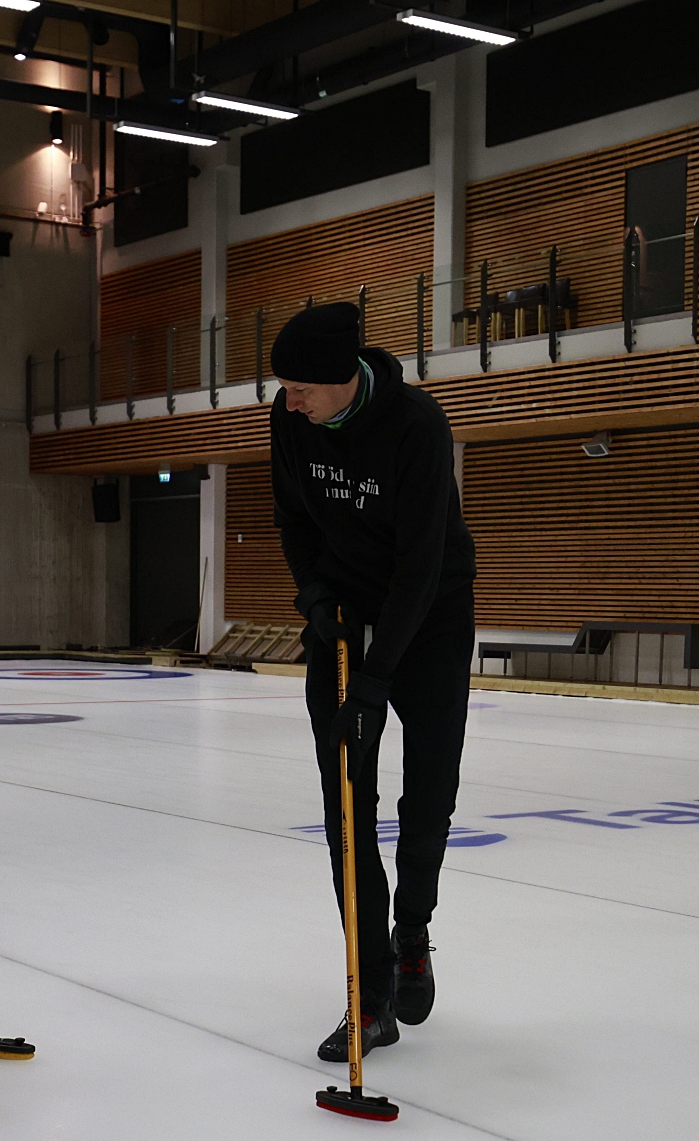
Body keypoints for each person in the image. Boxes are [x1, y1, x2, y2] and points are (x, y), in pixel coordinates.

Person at [269, 302, 478, 1062]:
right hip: (346, 621)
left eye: (301, 388)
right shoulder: (290, 418)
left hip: (430, 615)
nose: (290, 400)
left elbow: (421, 564)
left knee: (428, 793)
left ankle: (411, 933)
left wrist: (377, 679)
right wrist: (315, 599)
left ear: (342, 378)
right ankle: (372, 990)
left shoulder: (418, 425)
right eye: (286, 388)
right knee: (347, 808)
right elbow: (293, 519)